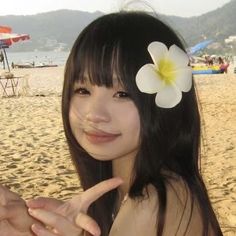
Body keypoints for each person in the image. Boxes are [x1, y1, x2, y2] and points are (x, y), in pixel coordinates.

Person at [0, 11, 223, 236]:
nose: (94, 114)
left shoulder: (152, 204)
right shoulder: (132, 192)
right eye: (82, 90)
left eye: (122, 94)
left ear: (165, 103)